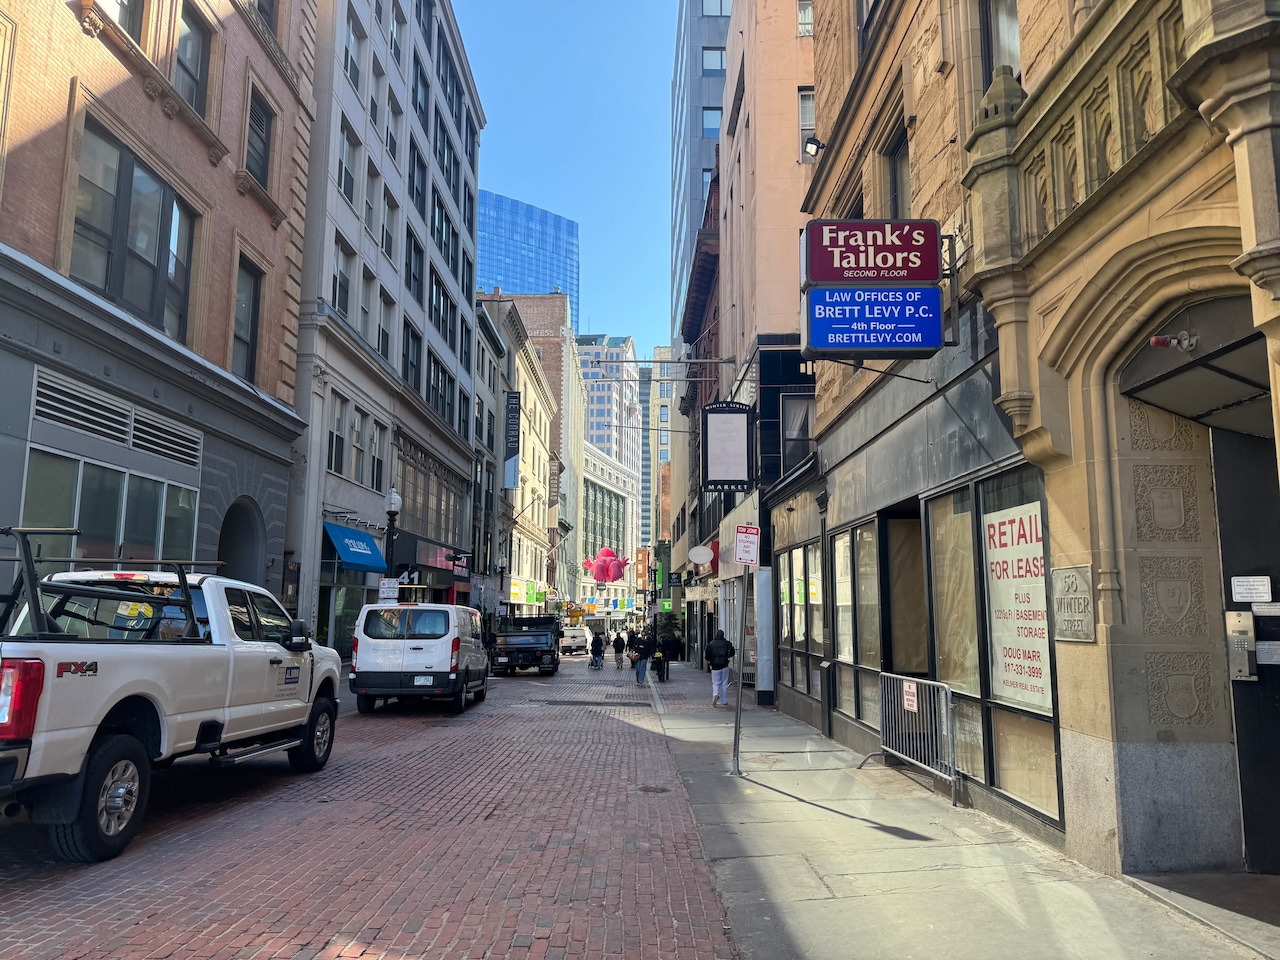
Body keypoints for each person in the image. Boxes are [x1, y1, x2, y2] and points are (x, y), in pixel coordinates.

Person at [705, 629, 736, 706]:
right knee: (724, 683)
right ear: (723, 635)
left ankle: (715, 694)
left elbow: (707, 655)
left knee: (715, 683)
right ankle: (724, 701)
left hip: (715, 666)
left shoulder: (711, 644)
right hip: (724, 665)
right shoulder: (727, 643)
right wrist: (727, 656)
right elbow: (732, 652)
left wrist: (710, 661)